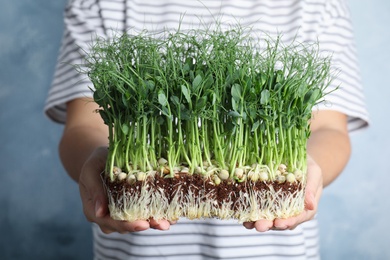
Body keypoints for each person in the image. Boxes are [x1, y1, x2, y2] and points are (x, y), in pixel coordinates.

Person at [45, 0, 369, 259]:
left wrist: (308, 172)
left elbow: (330, 129)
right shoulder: (100, 3)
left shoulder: (318, 4)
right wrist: (99, 164)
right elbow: (83, 125)